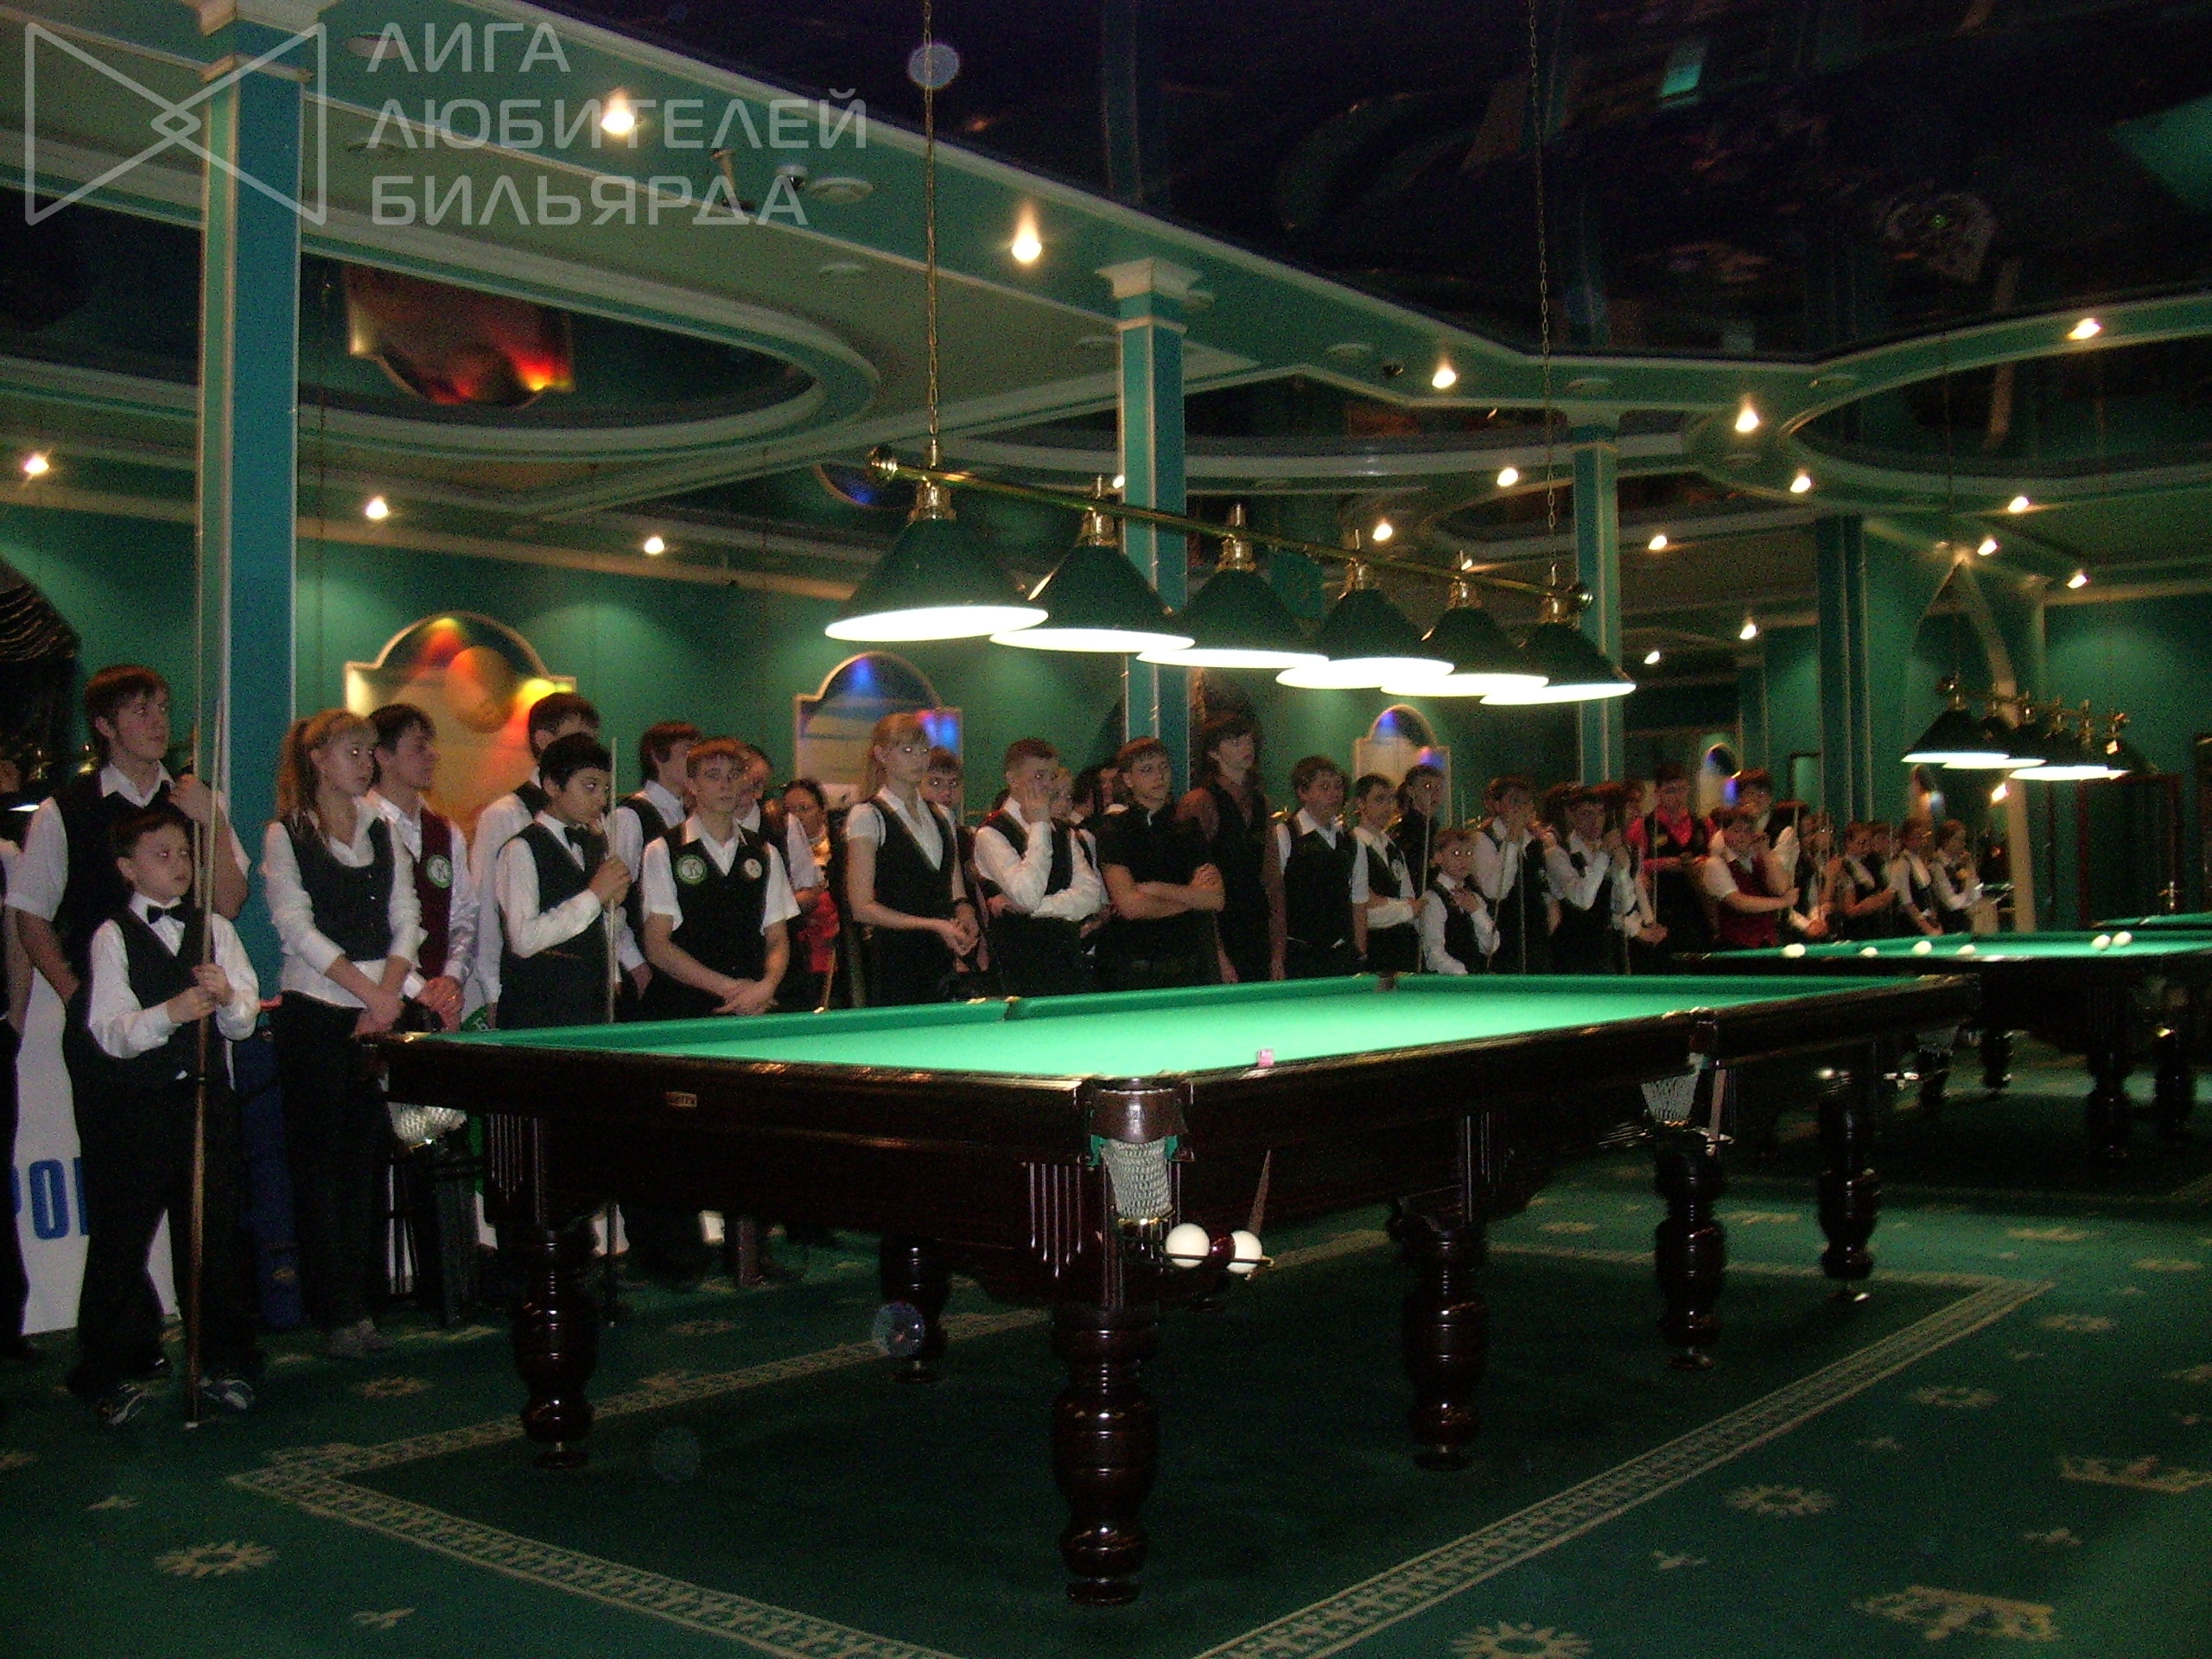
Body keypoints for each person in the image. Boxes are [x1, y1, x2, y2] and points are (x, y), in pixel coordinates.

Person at [10, 668, 251, 1374]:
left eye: (162, 707)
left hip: (193, 1032)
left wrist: (212, 821)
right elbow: (30, 913)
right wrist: (77, 995)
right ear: (105, 726)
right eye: (140, 710)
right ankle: (123, 1350)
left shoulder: (194, 799)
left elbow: (230, 902)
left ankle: (215, 1351)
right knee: (122, 1202)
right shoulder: (65, 809)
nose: (156, 721)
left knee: (203, 1203)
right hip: (110, 1021)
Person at [70, 806, 263, 1424]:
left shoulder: (216, 929)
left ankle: (224, 1361)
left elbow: (244, 1020)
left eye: (184, 853)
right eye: (161, 855)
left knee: (212, 1238)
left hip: (206, 1103)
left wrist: (228, 998)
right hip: (138, 1110)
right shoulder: (111, 935)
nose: (178, 865)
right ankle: (104, 1374)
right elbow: (111, 1031)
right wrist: (171, 1014)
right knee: (122, 1243)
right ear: (128, 869)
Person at [264, 709, 423, 1359]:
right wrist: (371, 994)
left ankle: (363, 1303)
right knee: (318, 1165)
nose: (366, 763)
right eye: (353, 751)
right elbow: (295, 927)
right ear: (317, 760)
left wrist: (388, 995)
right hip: (316, 1009)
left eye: (369, 752)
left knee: (366, 1160)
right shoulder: (287, 834)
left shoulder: (382, 828)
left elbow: (407, 916)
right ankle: (333, 1310)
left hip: (376, 1009)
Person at [468, 692, 638, 1022]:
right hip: (539, 1005)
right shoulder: (520, 847)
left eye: (605, 790)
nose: (600, 800)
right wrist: (594, 897)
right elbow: (523, 939)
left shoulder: (595, 841)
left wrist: (611, 914)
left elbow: (600, 929)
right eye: (590, 787)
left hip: (589, 1002)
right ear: (552, 786)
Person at [843, 715, 976, 1007]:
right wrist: (933, 925)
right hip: (895, 960)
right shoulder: (868, 815)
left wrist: (965, 913)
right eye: (907, 750)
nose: (919, 759)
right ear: (882, 755)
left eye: (924, 750)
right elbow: (862, 907)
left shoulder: (942, 815)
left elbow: (954, 889)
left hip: (942, 958)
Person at [367, 703, 474, 1030]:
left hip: (437, 1002)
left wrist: (451, 979)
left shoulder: (445, 831)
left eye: (431, 745)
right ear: (383, 756)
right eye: (419, 747)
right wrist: (417, 987)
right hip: (374, 996)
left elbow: (463, 915)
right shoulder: (363, 827)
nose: (433, 756)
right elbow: (365, 927)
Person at [972, 739, 1104, 997]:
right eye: (1038, 776)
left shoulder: (1064, 831)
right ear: (1012, 779)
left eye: (1051, 776)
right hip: (1018, 973)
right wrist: (1040, 825)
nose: (1048, 785)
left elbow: (1092, 896)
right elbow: (1027, 894)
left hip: (1068, 965)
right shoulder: (991, 833)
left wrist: (1039, 908)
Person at [1094, 736, 1224, 990]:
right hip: (1134, 964)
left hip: (1188, 960)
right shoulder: (1113, 829)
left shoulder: (1188, 827)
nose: (1159, 776)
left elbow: (1215, 899)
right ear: (1128, 779)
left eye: (1164, 767)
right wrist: (1191, 897)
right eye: (1147, 770)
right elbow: (1130, 906)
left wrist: (1155, 889)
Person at [1178, 715, 1278, 985]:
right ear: (1213, 753)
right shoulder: (1200, 802)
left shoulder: (1261, 802)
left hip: (1256, 923)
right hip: (1219, 924)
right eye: (1235, 742)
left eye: (1248, 740)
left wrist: (1277, 952)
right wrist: (1217, 953)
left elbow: (1271, 879)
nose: (1247, 747)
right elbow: (1197, 881)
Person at [610, 721, 700, 1001]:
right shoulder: (630, 816)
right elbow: (614, 900)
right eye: (686, 752)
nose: (694, 761)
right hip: (644, 958)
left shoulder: (689, 814)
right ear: (657, 757)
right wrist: (633, 961)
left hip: (682, 956)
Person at [1273, 755, 1365, 979]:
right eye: (1324, 787)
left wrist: (1360, 955)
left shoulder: (1352, 842)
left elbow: (1359, 902)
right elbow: (1274, 899)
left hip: (1342, 956)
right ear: (1303, 793)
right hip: (1299, 956)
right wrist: (1276, 958)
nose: (1334, 794)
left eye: (1338, 787)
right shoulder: (1285, 835)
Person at [1629, 762, 1711, 963]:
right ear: (1658, 793)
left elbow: (1715, 860)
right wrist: (1662, 864)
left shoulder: (1702, 824)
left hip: (1696, 906)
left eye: (1681, 789)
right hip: (1661, 905)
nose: (1677, 796)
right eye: (1670, 791)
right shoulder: (1643, 826)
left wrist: (1699, 863)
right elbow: (1632, 867)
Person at [1475, 775, 1556, 974]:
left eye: (1526, 801)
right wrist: (1512, 841)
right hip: (1502, 936)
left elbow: (1541, 881)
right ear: (1497, 805)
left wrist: (1550, 906)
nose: (1520, 807)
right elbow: (1495, 891)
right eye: (1514, 801)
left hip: (1535, 936)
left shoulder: (1534, 841)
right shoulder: (1483, 839)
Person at [1547, 786, 1626, 974]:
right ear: (1571, 816)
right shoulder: (1557, 854)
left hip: (1605, 951)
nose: (1595, 821)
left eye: (1600, 813)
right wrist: (1604, 855)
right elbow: (1582, 900)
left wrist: (1622, 871)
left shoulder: (1609, 853)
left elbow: (1622, 906)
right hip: (1570, 954)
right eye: (1586, 814)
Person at [779, 778, 841, 1008]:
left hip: (834, 945)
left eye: (804, 809)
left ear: (822, 811)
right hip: (798, 943)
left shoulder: (842, 846)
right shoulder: (777, 848)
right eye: (790, 811)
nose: (797, 817)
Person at [1351, 773, 1420, 974]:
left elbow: (1408, 897)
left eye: (1391, 800)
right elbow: (1363, 910)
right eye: (1379, 800)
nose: (1388, 807)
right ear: (1361, 803)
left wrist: (1390, 904)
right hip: (1373, 949)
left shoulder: (1393, 848)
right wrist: (1405, 910)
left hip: (1400, 949)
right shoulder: (1353, 845)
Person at [1702, 805, 1795, 950]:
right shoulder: (1715, 864)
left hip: (1767, 942)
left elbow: (1782, 888)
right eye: (1736, 830)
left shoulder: (1759, 860)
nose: (1742, 836)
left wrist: (1765, 851)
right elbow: (1738, 902)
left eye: (1747, 831)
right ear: (1724, 833)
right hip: (1734, 945)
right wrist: (1782, 903)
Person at [1417, 828, 1497, 975]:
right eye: (1456, 854)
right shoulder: (1432, 899)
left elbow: (1491, 945)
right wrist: (1463, 975)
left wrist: (1476, 912)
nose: (1463, 860)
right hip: (1447, 982)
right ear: (1439, 857)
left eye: (1468, 854)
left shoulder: (1475, 898)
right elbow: (1433, 954)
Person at [1827, 821, 1898, 940]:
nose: (1866, 847)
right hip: (1856, 929)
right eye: (1862, 843)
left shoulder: (1874, 863)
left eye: (1868, 842)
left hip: (1878, 926)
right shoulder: (1842, 867)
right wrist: (1865, 906)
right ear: (1848, 843)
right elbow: (1847, 908)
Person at [1393, 763, 1447, 905]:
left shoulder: (1435, 828)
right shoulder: (1406, 832)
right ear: (1411, 791)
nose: (1435, 794)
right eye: (1427, 787)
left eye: (1439, 788)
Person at [1783, 810, 1835, 943]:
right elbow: (1784, 906)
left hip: (1811, 928)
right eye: (1808, 834)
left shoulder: (1809, 862)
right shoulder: (1788, 863)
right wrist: (1808, 925)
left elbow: (1812, 901)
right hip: (1791, 933)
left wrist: (1817, 919)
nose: (1812, 838)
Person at [1890, 818, 1943, 938]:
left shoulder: (1918, 859)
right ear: (1906, 839)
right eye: (1917, 836)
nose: (1921, 841)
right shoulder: (1902, 863)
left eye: (1922, 836)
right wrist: (1927, 928)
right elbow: (1907, 902)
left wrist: (1933, 921)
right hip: (1910, 925)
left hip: (1925, 918)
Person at [1930, 819, 1982, 933]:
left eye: (1964, 840)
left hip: (1963, 922)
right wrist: (1968, 898)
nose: (1963, 844)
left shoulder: (1960, 863)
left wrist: (1970, 866)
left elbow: (1977, 894)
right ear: (1946, 841)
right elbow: (1951, 903)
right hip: (1947, 925)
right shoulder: (1936, 865)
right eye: (1959, 839)